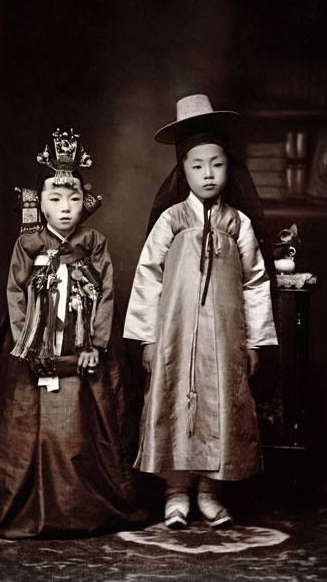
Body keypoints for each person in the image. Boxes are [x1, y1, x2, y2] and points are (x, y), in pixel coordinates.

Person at [0, 127, 145, 538]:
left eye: (72, 198)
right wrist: (25, 340)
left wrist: (96, 343)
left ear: (84, 201)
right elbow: (15, 291)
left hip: (84, 341)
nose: (65, 208)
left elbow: (106, 295)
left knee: (85, 423)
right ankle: (22, 497)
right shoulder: (27, 243)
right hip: (33, 340)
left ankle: (81, 503)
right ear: (40, 203)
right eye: (55, 198)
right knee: (23, 421)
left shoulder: (94, 243)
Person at [124, 94, 278, 530]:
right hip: (176, 338)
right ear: (183, 169)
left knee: (221, 406)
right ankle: (175, 493)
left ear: (228, 167)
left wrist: (254, 342)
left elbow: (255, 284)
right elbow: (147, 279)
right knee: (176, 404)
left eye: (216, 163)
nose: (208, 173)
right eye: (197, 165)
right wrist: (149, 339)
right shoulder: (171, 221)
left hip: (225, 339)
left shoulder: (238, 224)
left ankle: (211, 493)